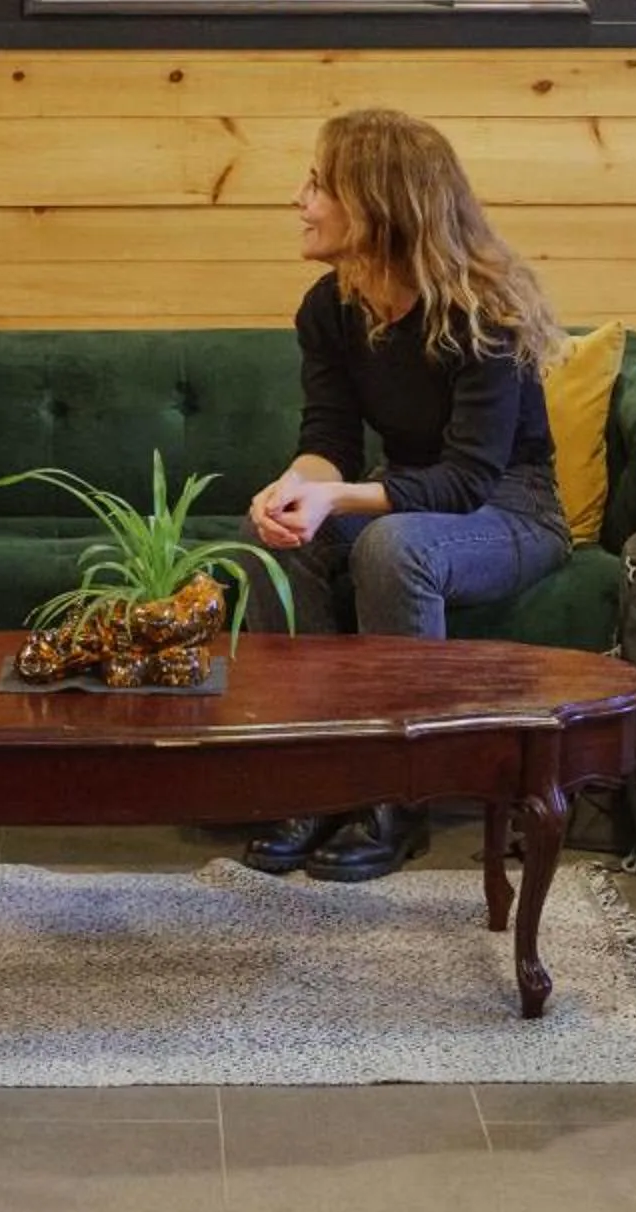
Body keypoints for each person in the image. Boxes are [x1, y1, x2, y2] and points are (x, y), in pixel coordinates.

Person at [240, 109, 571, 882]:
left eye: (318, 185)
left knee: (394, 547)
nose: (299, 200)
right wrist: (295, 490)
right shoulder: (330, 307)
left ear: (376, 202)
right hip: (411, 495)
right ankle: (312, 781)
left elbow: (467, 478)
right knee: (268, 541)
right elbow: (330, 439)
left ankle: (401, 794)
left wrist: (338, 500)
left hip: (511, 507)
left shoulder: (484, 309)